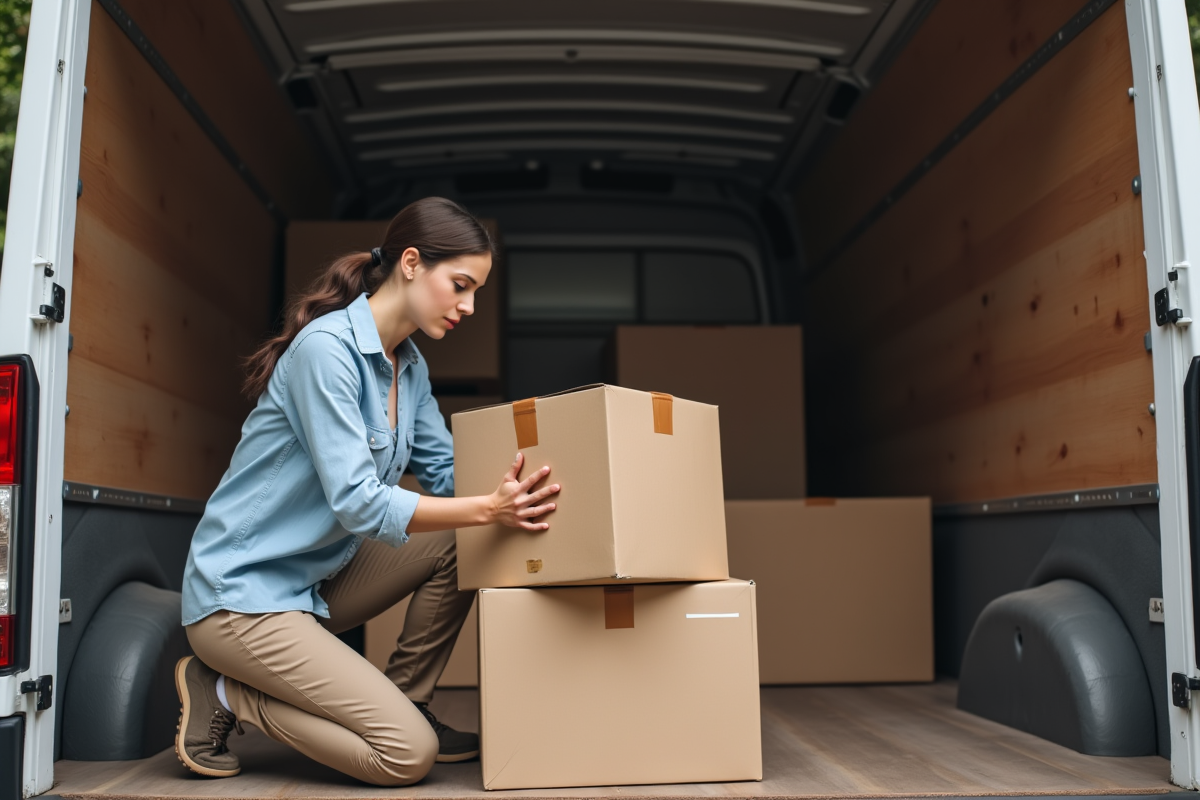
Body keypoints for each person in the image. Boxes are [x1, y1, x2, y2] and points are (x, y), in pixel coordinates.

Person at [172, 197, 561, 786]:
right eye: (460, 285)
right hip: (243, 598)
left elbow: (446, 476)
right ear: (410, 263)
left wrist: (529, 494)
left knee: (465, 539)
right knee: (407, 757)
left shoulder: (409, 366)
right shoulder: (327, 353)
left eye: (476, 290)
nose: (470, 305)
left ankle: (409, 702)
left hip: (318, 581)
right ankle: (227, 694)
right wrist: (488, 508)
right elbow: (358, 502)